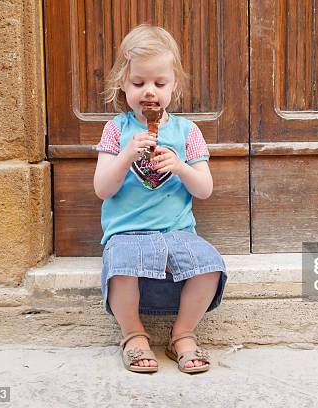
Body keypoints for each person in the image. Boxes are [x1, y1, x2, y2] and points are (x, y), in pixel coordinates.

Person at [93, 23, 226, 374]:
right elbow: (102, 189)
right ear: (123, 83)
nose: (148, 92)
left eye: (159, 83)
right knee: (121, 268)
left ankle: (182, 334)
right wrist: (125, 156)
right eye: (138, 83)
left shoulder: (187, 132)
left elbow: (204, 188)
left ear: (174, 86)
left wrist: (181, 167)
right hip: (128, 233)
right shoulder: (116, 130)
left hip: (177, 232)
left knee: (209, 267)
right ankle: (133, 334)